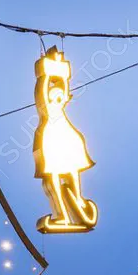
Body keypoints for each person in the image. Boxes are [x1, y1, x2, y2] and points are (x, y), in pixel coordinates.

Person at [33, 47, 97, 233]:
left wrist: (60, 73)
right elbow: (43, 89)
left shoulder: (61, 101)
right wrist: (46, 74)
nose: (57, 98)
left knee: (71, 174)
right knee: (51, 179)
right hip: (50, 140)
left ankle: (76, 201)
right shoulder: (45, 107)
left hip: (66, 139)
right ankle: (62, 215)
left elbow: (64, 87)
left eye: (61, 95)